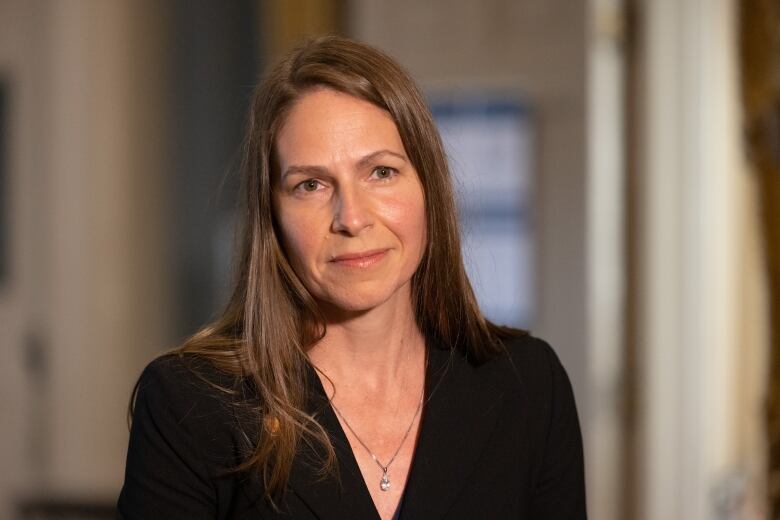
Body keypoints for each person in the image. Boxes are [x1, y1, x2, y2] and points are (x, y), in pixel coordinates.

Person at [117, 35, 586, 519]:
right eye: (311, 185)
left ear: (429, 189)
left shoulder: (529, 385)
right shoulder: (190, 403)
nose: (352, 218)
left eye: (381, 172)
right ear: (272, 216)